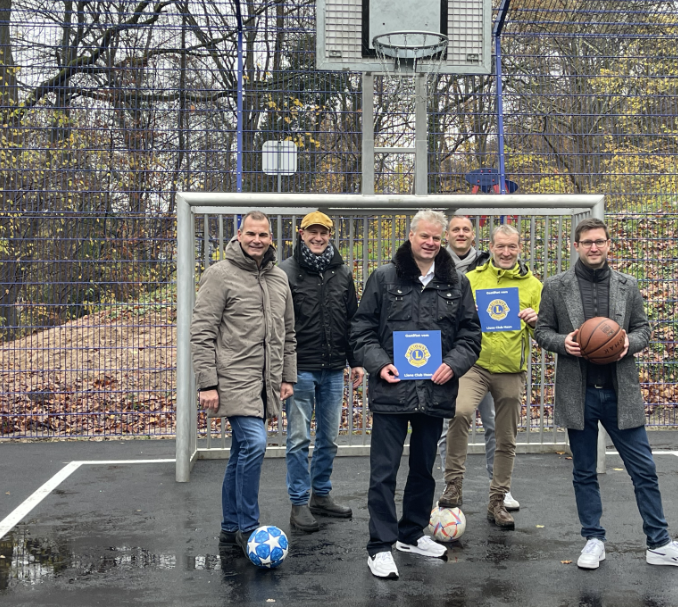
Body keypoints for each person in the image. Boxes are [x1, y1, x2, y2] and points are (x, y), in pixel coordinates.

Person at [534, 217, 678, 569]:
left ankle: (659, 543)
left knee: (643, 469)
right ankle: (593, 540)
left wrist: (629, 342)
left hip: (619, 392)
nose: (593, 247)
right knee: (584, 471)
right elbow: (542, 330)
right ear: (576, 246)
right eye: (587, 242)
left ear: (609, 244)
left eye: (599, 241)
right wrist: (563, 343)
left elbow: (644, 329)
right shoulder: (556, 286)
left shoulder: (628, 285)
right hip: (578, 392)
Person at [350, 209, 482, 580]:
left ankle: (410, 535)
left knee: (424, 469)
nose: (430, 243)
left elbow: (471, 336)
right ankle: (379, 546)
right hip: (393, 390)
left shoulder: (456, 282)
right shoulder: (384, 277)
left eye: (436, 238)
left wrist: (453, 365)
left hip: (436, 391)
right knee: (384, 472)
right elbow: (361, 329)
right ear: (410, 236)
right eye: (424, 236)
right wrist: (379, 364)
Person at [190, 211, 296, 559]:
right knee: (254, 443)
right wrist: (207, 383)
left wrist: (286, 377)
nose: (257, 240)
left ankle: (229, 529)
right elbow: (202, 333)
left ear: (271, 238)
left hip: (266, 382)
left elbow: (288, 334)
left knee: (240, 454)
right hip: (232, 378)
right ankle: (249, 528)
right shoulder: (219, 275)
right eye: (250, 233)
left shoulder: (279, 279)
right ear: (238, 235)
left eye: (263, 235)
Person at [439, 224, 542, 529]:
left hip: (510, 369)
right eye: (501, 247)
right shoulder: (471, 279)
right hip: (475, 364)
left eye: (512, 247)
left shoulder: (533, 285)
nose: (507, 252)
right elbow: (455, 319)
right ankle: (453, 487)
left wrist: (537, 320)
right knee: (459, 412)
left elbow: (547, 330)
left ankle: (497, 499)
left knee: (504, 435)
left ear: (520, 248)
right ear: (491, 247)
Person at [278, 211, 365, 532]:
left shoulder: (343, 273)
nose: (318, 237)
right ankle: (299, 503)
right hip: (299, 370)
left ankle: (321, 495)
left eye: (323, 232)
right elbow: (279, 326)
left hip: (332, 370)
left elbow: (352, 319)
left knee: (328, 438)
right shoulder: (284, 272)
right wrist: (283, 371)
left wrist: (355, 361)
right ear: (300, 233)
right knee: (298, 439)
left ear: (330, 235)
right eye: (312, 232)